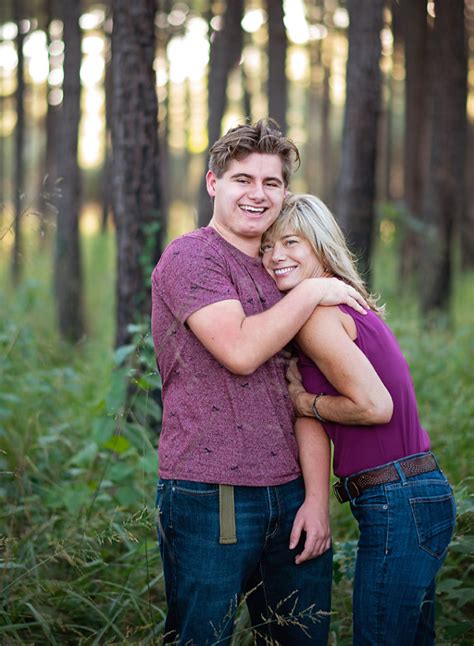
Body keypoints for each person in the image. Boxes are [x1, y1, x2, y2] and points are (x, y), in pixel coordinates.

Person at [151, 120, 368, 645]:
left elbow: (306, 400)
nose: (257, 194)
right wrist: (316, 291)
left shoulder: (282, 270)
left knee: (302, 638)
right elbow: (242, 351)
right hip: (210, 494)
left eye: (271, 183)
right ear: (212, 183)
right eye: (242, 179)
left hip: (291, 493)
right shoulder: (192, 257)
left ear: (285, 192)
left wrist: (316, 500)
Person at [261, 193, 456, 646]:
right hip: (413, 492)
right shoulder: (334, 307)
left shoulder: (319, 316)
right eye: (268, 246)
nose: (276, 257)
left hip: (398, 498)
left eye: (291, 242)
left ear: (321, 245)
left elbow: (374, 407)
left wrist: (304, 402)